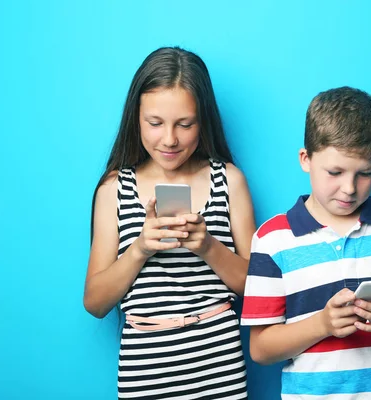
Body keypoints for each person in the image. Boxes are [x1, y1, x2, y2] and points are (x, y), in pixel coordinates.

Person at [241, 87, 371, 399]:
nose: (349, 189)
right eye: (335, 172)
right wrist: (323, 324)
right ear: (306, 159)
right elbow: (260, 349)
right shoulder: (272, 239)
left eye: (365, 173)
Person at [83, 47, 254, 399]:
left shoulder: (229, 181)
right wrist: (140, 249)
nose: (170, 139)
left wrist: (208, 246)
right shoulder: (113, 190)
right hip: (145, 373)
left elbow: (257, 288)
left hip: (219, 368)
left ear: (203, 120)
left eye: (185, 124)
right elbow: (95, 303)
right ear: (136, 118)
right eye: (155, 123)